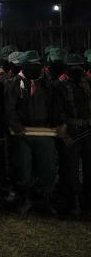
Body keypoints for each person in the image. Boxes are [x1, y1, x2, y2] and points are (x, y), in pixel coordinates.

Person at [4, 50, 63, 214]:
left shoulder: (46, 84)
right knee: (24, 168)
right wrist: (16, 127)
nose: (36, 68)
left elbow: (54, 106)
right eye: (32, 66)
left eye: (38, 65)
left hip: (44, 132)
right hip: (23, 134)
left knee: (48, 167)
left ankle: (46, 199)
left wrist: (57, 124)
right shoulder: (15, 84)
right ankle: (26, 199)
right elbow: (9, 108)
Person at [53, 53, 90, 215]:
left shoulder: (86, 82)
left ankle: (87, 202)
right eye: (73, 67)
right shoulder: (58, 85)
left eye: (79, 67)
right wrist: (64, 133)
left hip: (88, 131)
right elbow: (57, 111)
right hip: (71, 132)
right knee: (70, 170)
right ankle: (73, 202)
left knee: (89, 168)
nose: (76, 70)